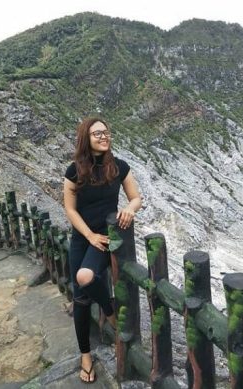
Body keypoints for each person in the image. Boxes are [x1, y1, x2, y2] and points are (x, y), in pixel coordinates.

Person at [63, 117, 142, 383]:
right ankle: (85, 356)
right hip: (82, 238)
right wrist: (88, 235)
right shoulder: (74, 171)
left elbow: (136, 197)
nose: (103, 136)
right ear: (86, 137)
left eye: (106, 132)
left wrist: (129, 210)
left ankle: (109, 311)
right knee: (81, 300)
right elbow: (70, 209)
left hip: (107, 239)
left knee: (84, 278)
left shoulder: (119, 167)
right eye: (97, 133)